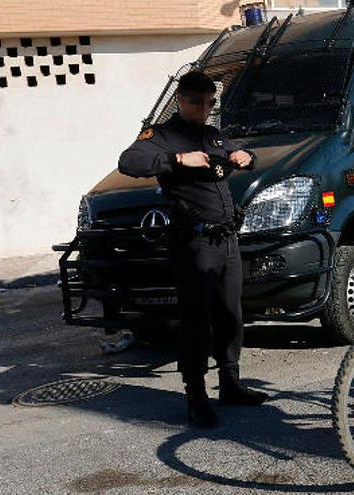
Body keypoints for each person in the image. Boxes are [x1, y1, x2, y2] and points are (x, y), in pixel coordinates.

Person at [118, 71, 268, 428]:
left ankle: (230, 384)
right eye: (196, 102)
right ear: (180, 100)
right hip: (194, 243)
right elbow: (128, 161)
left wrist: (247, 156)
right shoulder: (162, 136)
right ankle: (196, 396)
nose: (203, 109)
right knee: (196, 321)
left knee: (231, 315)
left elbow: (237, 151)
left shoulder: (211, 135)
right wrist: (178, 160)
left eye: (209, 103)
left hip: (226, 240)